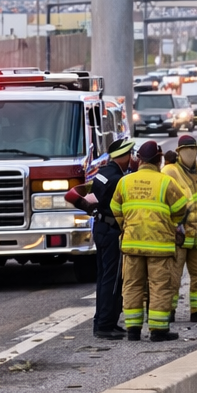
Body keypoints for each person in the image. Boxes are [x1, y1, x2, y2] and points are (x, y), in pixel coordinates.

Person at [110, 139, 190, 341]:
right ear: (159, 160)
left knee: (132, 285)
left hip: (131, 245)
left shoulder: (125, 182)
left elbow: (116, 210)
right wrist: (169, 223)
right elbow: (182, 209)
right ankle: (158, 330)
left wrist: (126, 227)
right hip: (159, 246)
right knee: (160, 286)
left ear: (139, 160)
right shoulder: (166, 182)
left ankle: (133, 330)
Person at [65, 137, 135, 340]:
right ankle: (105, 325)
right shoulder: (118, 180)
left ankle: (104, 321)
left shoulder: (103, 173)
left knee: (104, 277)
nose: (131, 158)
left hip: (102, 228)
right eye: (129, 155)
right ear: (123, 157)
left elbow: (82, 197)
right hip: (112, 230)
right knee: (113, 280)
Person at [164, 134, 197, 322]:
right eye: (187, 150)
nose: (190, 153)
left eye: (193, 149)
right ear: (178, 152)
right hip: (178, 235)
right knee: (171, 277)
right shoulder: (169, 172)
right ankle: (167, 310)